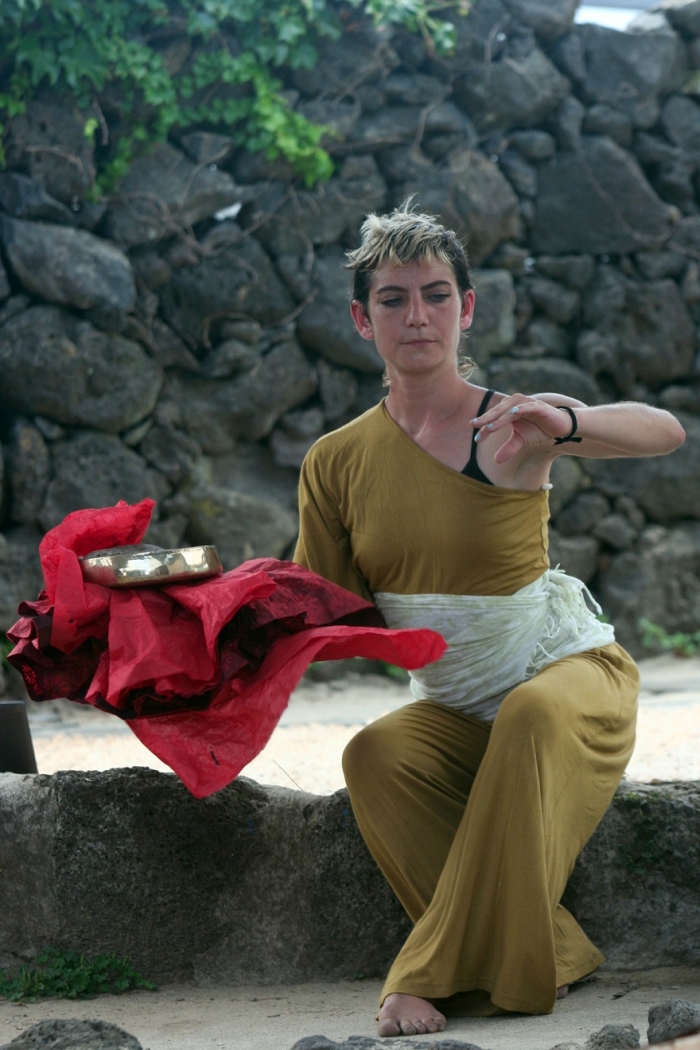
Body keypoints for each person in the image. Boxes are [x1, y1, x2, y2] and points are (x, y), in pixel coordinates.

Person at [293, 203, 685, 1038]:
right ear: (362, 320)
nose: (418, 316)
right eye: (394, 299)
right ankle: (550, 949)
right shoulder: (334, 461)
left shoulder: (512, 421)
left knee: (530, 711)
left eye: (436, 295)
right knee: (373, 753)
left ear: (466, 307)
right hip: (460, 713)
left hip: (569, 688)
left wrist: (567, 422)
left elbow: (665, 432)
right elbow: (318, 612)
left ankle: (421, 975)